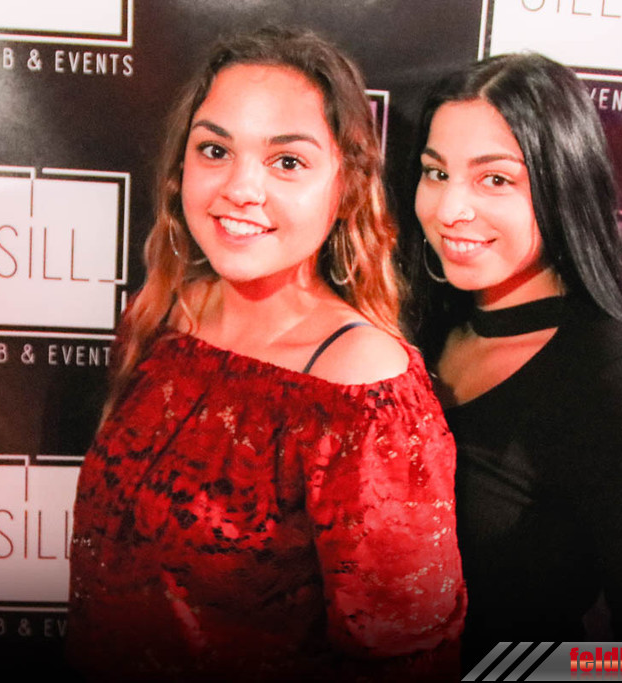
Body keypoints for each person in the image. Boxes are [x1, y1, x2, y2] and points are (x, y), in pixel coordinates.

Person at [67, 26, 465, 681]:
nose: (240, 188)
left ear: (346, 185)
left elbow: (410, 657)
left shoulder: (361, 386)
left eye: (287, 162)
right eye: (215, 150)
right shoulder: (164, 316)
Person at [407, 53, 622, 666]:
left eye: (495, 180)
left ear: (562, 183)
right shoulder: (413, 330)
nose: (449, 209)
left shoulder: (618, 381)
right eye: (436, 173)